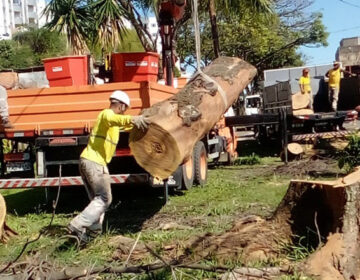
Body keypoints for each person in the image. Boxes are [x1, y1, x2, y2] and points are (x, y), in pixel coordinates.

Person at [67, 90, 149, 243]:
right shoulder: (106, 114)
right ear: (122, 106)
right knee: (105, 199)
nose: (125, 112)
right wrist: (133, 118)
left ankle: (91, 235)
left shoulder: (113, 125)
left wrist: (142, 123)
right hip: (95, 162)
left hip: (88, 161)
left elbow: (125, 125)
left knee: (97, 201)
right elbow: (115, 119)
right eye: (125, 109)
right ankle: (77, 224)